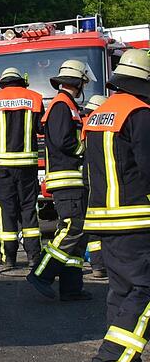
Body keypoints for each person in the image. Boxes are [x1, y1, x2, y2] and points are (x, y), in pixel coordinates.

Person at [83, 49, 150, 362]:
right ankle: (110, 360)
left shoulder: (98, 115)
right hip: (137, 219)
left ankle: (129, 361)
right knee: (145, 291)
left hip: (104, 219)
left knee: (122, 291)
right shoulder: (140, 114)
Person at [27, 60, 95, 301]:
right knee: (71, 228)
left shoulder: (68, 105)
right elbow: (62, 141)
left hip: (72, 179)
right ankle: (41, 274)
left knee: (79, 233)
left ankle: (71, 288)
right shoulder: (60, 106)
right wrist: (86, 148)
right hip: (66, 178)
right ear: (78, 82)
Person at [0, 67, 44, 269]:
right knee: (28, 210)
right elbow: (41, 129)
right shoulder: (35, 98)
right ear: (21, 82)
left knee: (6, 212)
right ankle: (34, 256)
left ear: (2, 83)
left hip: (3, 167)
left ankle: (9, 258)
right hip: (28, 167)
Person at [80, 94, 108, 279]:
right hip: (106, 183)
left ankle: (98, 265)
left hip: (90, 182)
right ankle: (102, 264)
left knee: (94, 227)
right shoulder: (108, 128)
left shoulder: (87, 128)